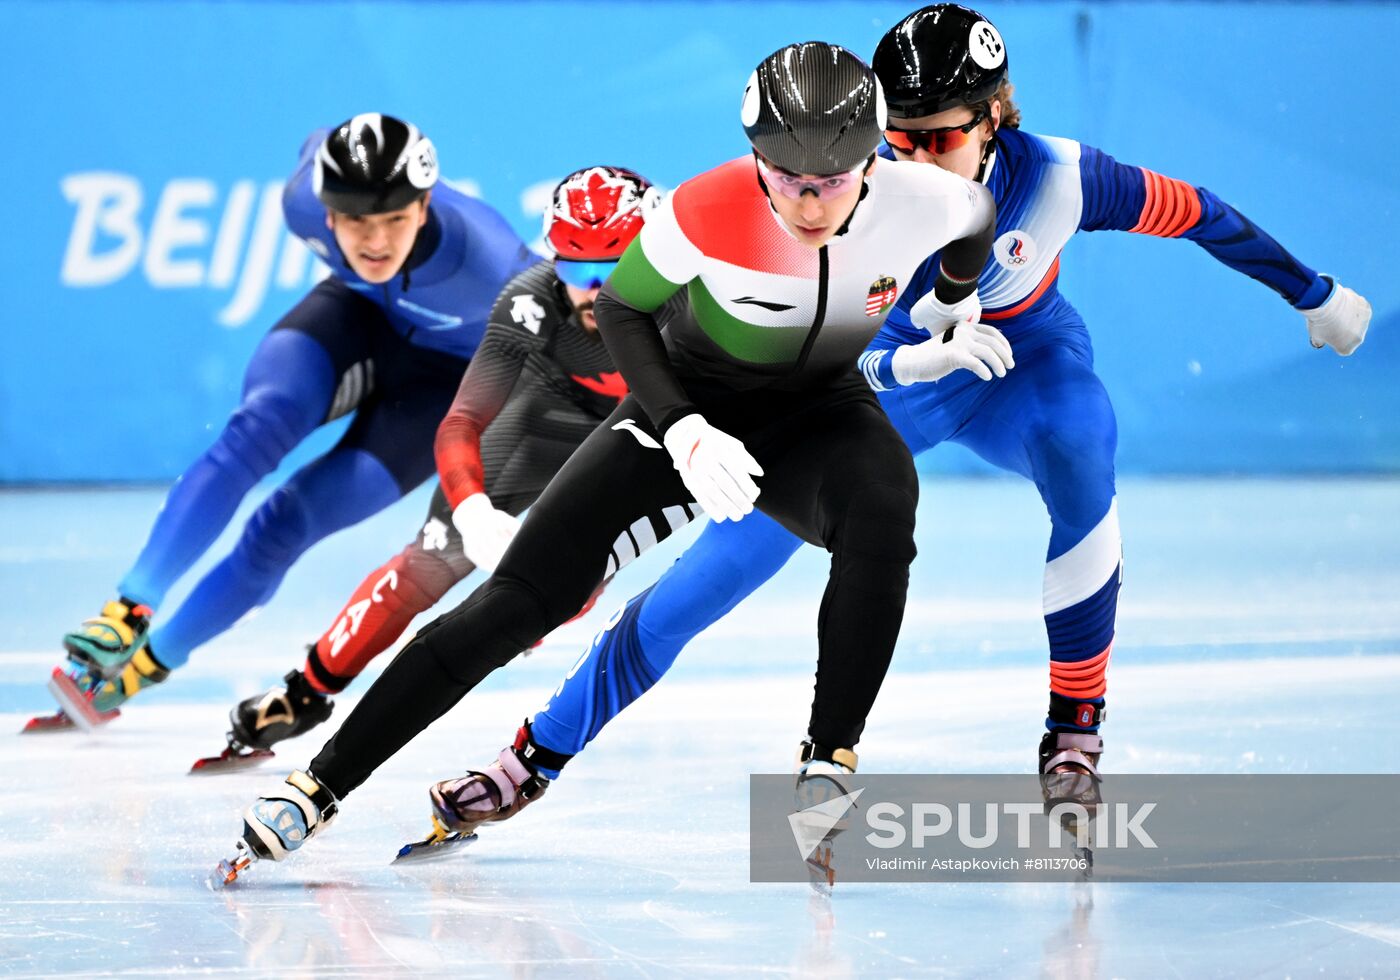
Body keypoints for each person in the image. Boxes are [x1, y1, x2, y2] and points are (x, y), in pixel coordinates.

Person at [420, 2, 1374, 829]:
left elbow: (1202, 211)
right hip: (876, 392)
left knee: (1085, 450)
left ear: (997, 118)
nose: (909, 158)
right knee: (710, 577)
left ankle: (1074, 730)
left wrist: (1311, 291)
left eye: (938, 137)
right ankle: (532, 757)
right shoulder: (840, 198)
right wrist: (901, 359)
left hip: (1025, 369)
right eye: (896, 137)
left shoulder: (1065, 179)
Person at [216, 41, 1008, 882]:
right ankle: (318, 785)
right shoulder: (707, 209)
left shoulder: (928, 199)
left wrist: (951, 302)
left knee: (885, 513)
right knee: (513, 605)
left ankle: (827, 763)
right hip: (687, 405)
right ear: (755, 159)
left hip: (821, 414)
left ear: (872, 162)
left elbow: (975, 220)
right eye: (786, 179)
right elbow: (626, 313)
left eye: (833, 181)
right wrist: (684, 429)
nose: (810, 204)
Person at [51, 114, 536, 728]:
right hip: (353, 316)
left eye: (395, 219)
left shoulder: (491, 265)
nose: (377, 242)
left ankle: (147, 667)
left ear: (425, 205)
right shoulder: (299, 200)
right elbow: (320, 144)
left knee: (286, 525)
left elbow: (567, 354)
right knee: (256, 429)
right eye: (357, 220)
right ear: (327, 212)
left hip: (443, 385)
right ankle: (127, 611)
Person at [210, 167, 667, 762]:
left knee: (560, 591)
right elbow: (460, 425)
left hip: (652, 426)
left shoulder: (695, 296)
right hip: (546, 417)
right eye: (576, 269)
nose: (596, 291)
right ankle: (307, 689)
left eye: (616, 268)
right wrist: (473, 510)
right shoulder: (531, 298)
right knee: (429, 563)